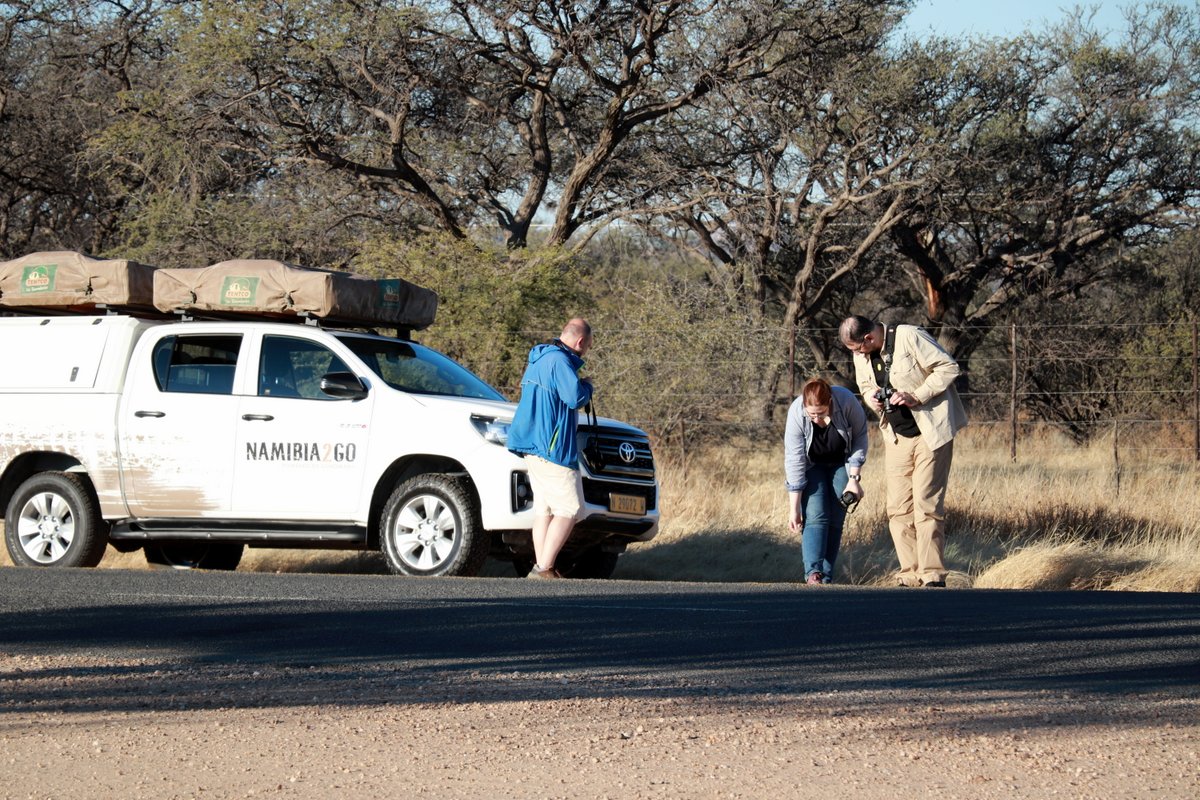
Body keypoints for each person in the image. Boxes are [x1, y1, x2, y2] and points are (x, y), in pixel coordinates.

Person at [839, 315, 968, 587]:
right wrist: (872, 398)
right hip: (895, 436)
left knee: (926, 504)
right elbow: (864, 386)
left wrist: (916, 395)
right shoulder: (860, 354)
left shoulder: (910, 336)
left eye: (857, 349)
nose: (856, 355)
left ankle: (932, 574)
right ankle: (909, 574)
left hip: (930, 432)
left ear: (869, 338)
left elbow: (948, 367)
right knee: (898, 508)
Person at [507, 318, 595, 579]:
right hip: (552, 448)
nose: (586, 351)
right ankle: (544, 567)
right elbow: (575, 397)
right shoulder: (560, 361)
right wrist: (587, 386)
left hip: (532, 445)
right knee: (570, 509)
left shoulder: (540, 359)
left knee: (544, 509)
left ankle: (542, 566)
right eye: (588, 346)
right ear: (580, 341)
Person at [784, 377, 869, 585]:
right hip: (812, 466)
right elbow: (795, 460)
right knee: (816, 514)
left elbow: (860, 437)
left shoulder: (846, 401)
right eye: (811, 414)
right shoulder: (796, 412)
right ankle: (813, 572)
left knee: (836, 518)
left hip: (842, 463)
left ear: (829, 402)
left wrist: (854, 479)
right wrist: (794, 509)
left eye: (820, 413)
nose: (815, 419)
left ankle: (827, 576)